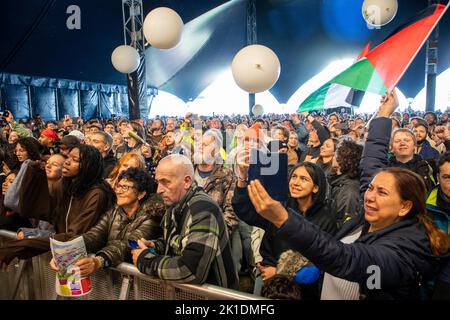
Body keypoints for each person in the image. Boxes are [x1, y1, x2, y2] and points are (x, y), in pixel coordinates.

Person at [242, 91, 450, 300]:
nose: (369, 196)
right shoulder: (377, 217)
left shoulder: (401, 251)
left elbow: (345, 259)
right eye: (370, 188)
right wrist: (384, 114)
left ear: (404, 206)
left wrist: (283, 219)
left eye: (381, 192)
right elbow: (371, 162)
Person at [131, 154, 238, 289]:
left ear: (187, 181)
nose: (159, 190)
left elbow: (191, 270)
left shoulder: (203, 209)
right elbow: (179, 243)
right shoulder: (175, 204)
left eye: (166, 182)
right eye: (158, 182)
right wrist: (155, 246)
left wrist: (146, 261)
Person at [0, 145, 114, 268]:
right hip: (63, 256)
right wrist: (34, 175)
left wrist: (20, 246)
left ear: (88, 166)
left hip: (88, 262)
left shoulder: (97, 193)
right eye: (68, 157)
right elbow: (33, 210)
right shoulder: (64, 185)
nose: (67, 162)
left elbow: (75, 237)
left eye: (75, 160)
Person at [49, 167, 164, 277]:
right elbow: (94, 235)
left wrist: (99, 261)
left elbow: (129, 244)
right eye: (118, 186)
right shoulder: (114, 211)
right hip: (116, 278)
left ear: (141, 194)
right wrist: (67, 251)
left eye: (125, 187)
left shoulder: (152, 216)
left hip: (140, 284)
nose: (119, 191)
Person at [329, 139, 363, 228]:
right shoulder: (337, 180)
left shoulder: (349, 191)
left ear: (345, 159)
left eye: (336, 154)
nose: (333, 156)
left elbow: (344, 225)